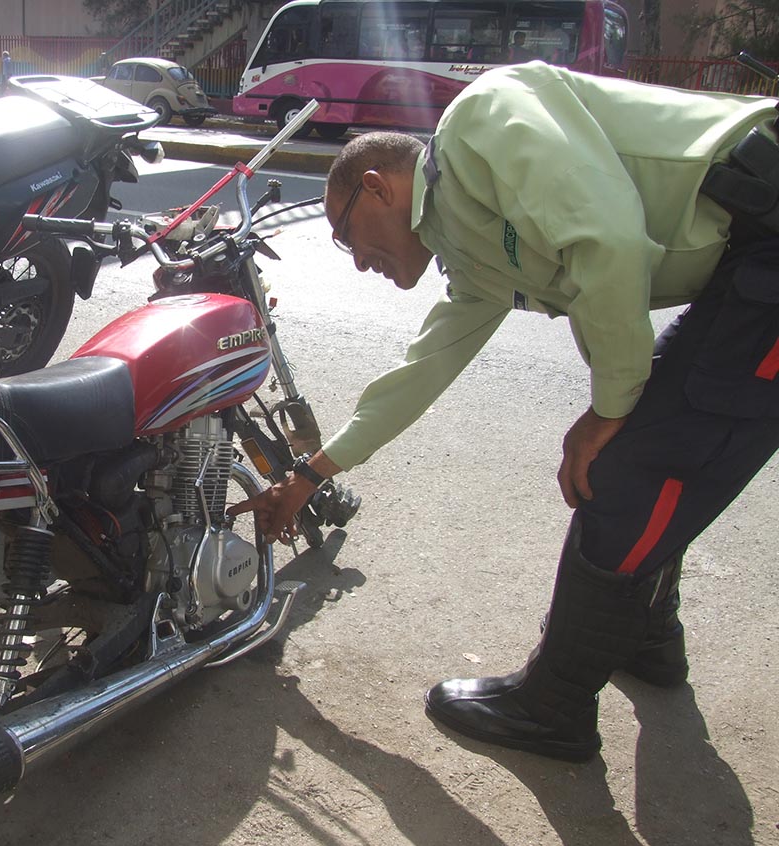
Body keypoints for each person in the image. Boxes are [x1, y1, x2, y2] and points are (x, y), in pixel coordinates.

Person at [228, 61, 779, 762]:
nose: (356, 263)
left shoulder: (481, 122)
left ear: (377, 186)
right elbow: (419, 372)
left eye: (347, 235)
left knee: (634, 468)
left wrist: (607, 411)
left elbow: (605, 242)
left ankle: (552, 707)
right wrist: (309, 474)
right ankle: (644, 635)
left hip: (770, 228)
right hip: (752, 252)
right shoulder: (471, 249)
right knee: (645, 444)